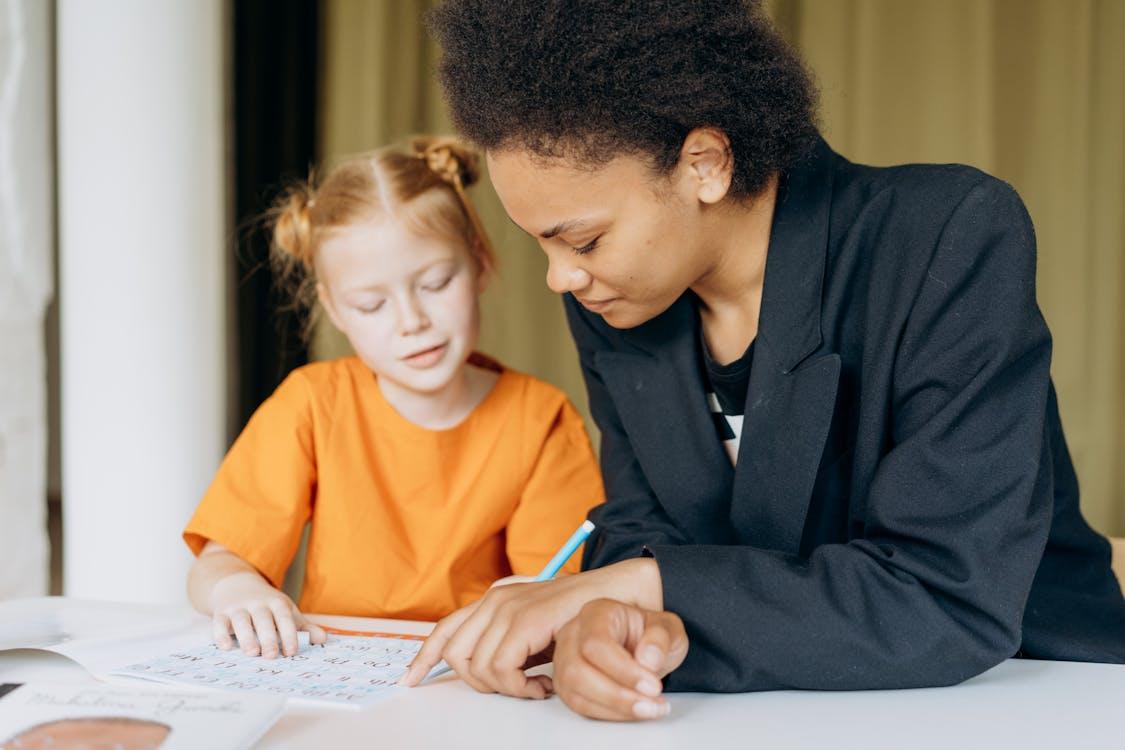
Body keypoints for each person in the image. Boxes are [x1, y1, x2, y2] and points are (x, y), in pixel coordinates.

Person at [402, 0, 1125, 721]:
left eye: (583, 241)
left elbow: (944, 592)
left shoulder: (944, 234)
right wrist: (605, 625)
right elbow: (638, 527)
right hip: (761, 710)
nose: (560, 278)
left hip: (1027, 694)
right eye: (542, 244)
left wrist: (633, 588)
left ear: (704, 164)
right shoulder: (617, 299)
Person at [183, 137, 604, 660]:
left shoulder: (539, 419)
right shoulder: (312, 404)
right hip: (334, 674)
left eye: (434, 283)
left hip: (471, 678)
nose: (412, 322)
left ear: (480, 264)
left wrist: (536, 597)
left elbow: (558, 590)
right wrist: (236, 588)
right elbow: (217, 563)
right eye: (372, 304)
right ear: (335, 310)